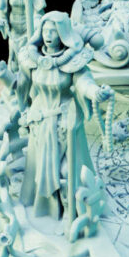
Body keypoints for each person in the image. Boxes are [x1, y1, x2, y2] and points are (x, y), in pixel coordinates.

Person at [17, 11, 113, 221]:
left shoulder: (73, 61)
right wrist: (18, 101)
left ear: (63, 34)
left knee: (68, 169)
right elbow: (21, 86)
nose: (48, 35)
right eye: (45, 31)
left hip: (64, 119)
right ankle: (45, 207)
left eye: (53, 31)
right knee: (39, 165)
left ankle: (73, 206)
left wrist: (95, 93)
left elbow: (83, 82)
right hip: (40, 118)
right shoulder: (31, 58)